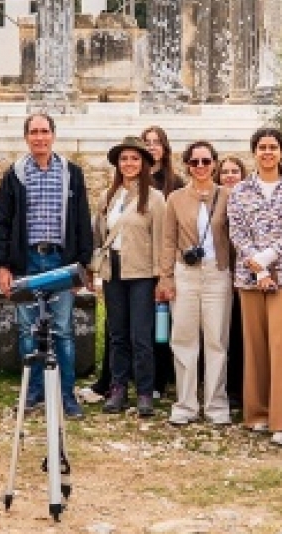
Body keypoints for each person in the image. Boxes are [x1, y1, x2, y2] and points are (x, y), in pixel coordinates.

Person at [0, 112, 93, 419]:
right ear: (26, 137)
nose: (39, 137)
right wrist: (2, 266)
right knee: (28, 329)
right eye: (34, 132)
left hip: (61, 261)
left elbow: (82, 221)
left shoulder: (71, 173)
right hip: (27, 261)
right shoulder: (15, 175)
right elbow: (0, 222)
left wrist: (82, 267)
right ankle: (33, 393)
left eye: (44, 131)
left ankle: (66, 394)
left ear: (53, 135)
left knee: (62, 329)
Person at [227, 128, 282, 446]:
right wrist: (258, 266)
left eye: (273, 147)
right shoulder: (240, 191)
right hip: (249, 277)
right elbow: (237, 233)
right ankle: (259, 412)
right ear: (254, 152)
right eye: (262, 147)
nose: (267, 152)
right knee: (256, 345)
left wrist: (267, 258)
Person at [160, 141, 233, 425]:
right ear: (187, 165)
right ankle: (186, 404)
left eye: (205, 161)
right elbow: (168, 240)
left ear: (214, 164)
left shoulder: (227, 195)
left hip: (218, 272)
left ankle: (216, 404)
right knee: (183, 339)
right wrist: (166, 277)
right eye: (195, 162)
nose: (200, 166)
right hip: (185, 273)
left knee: (216, 340)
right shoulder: (175, 199)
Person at [94, 136, 166, 417]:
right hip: (113, 269)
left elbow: (160, 239)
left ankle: (145, 391)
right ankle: (118, 388)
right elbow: (100, 235)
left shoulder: (155, 198)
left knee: (141, 335)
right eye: (124, 159)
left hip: (142, 271)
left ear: (143, 163)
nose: (129, 163)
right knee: (117, 333)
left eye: (134, 158)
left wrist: (162, 277)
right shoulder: (107, 197)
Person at [142, 125, 185, 398]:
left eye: (156, 142)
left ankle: (160, 378)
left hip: (165, 262)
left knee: (162, 323)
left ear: (165, 148)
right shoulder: (133, 181)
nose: (151, 147)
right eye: (147, 142)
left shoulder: (175, 183)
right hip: (139, 261)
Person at [219, 156, 248, 409]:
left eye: (235, 171)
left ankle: (239, 388)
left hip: (245, 274)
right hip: (219, 274)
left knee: (240, 334)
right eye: (225, 172)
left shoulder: (249, 200)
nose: (229, 176)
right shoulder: (214, 201)